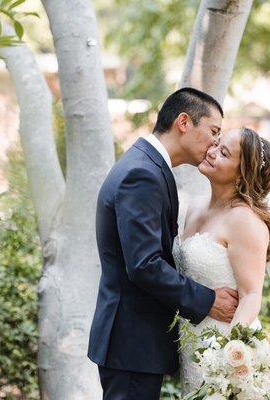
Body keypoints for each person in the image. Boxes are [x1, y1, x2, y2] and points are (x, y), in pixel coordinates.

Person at [88, 87, 239, 400]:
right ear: (184, 122)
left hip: (135, 343)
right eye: (213, 131)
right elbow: (144, 265)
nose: (215, 143)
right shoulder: (142, 174)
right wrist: (208, 299)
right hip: (132, 343)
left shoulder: (148, 165)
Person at [174, 127, 270, 395]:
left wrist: (228, 357)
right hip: (190, 344)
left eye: (224, 153)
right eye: (216, 144)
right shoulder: (195, 207)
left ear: (242, 174)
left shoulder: (244, 221)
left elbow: (251, 296)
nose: (212, 152)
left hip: (222, 349)